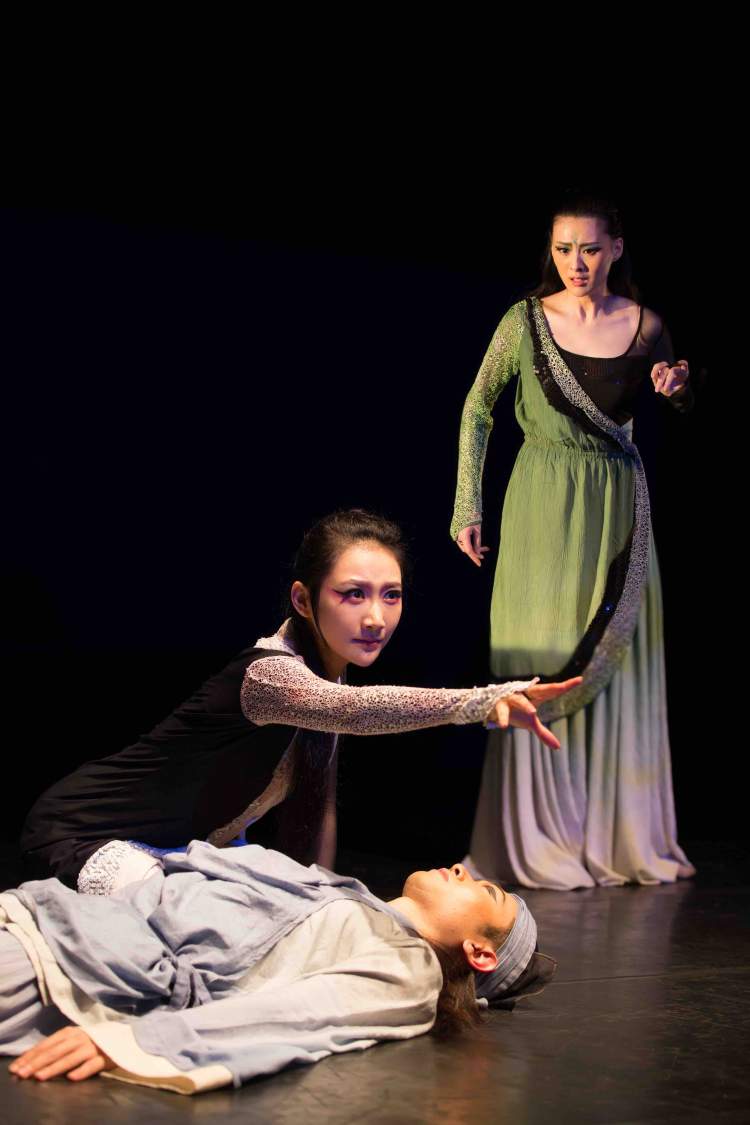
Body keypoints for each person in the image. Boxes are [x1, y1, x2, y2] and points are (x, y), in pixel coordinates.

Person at [21, 509, 579, 896]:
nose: (376, 618)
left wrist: (319, 895)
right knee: (192, 926)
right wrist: (482, 701)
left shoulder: (325, 679)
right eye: (352, 594)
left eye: (391, 595)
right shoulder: (270, 674)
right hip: (86, 835)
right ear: (304, 600)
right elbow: (355, 711)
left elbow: (315, 810)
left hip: (189, 849)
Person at [450, 193, 696, 890]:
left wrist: (676, 388)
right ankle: (536, 834)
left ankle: (614, 835)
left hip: (617, 503)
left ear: (615, 248)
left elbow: (677, 395)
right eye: (563, 249)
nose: (576, 262)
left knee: (614, 662)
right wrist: (467, 504)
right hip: (541, 500)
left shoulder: (646, 326)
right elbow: (478, 406)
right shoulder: (524, 321)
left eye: (589, 248)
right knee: (537, 656)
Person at [1, 841, 555, 1094]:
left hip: (62, 967)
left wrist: (135, 1041)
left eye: (485, 890)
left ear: (480, 953)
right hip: (47, 914)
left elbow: (299, 1015)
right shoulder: (344, 895)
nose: (460, 868)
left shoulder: (409, 971)